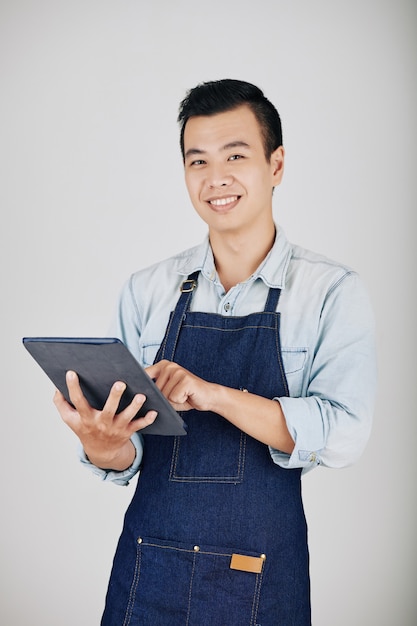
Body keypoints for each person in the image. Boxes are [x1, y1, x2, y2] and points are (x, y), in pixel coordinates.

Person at [54, 79, 377, 625]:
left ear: (276, 165)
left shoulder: (330, 291)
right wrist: (101, 442)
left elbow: (345, 433)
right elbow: (128, 455)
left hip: (260, 573)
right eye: (197, 161)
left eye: (235, 155)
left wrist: (215, 395)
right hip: (148, 565)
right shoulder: (146, 290)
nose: (215, 178)